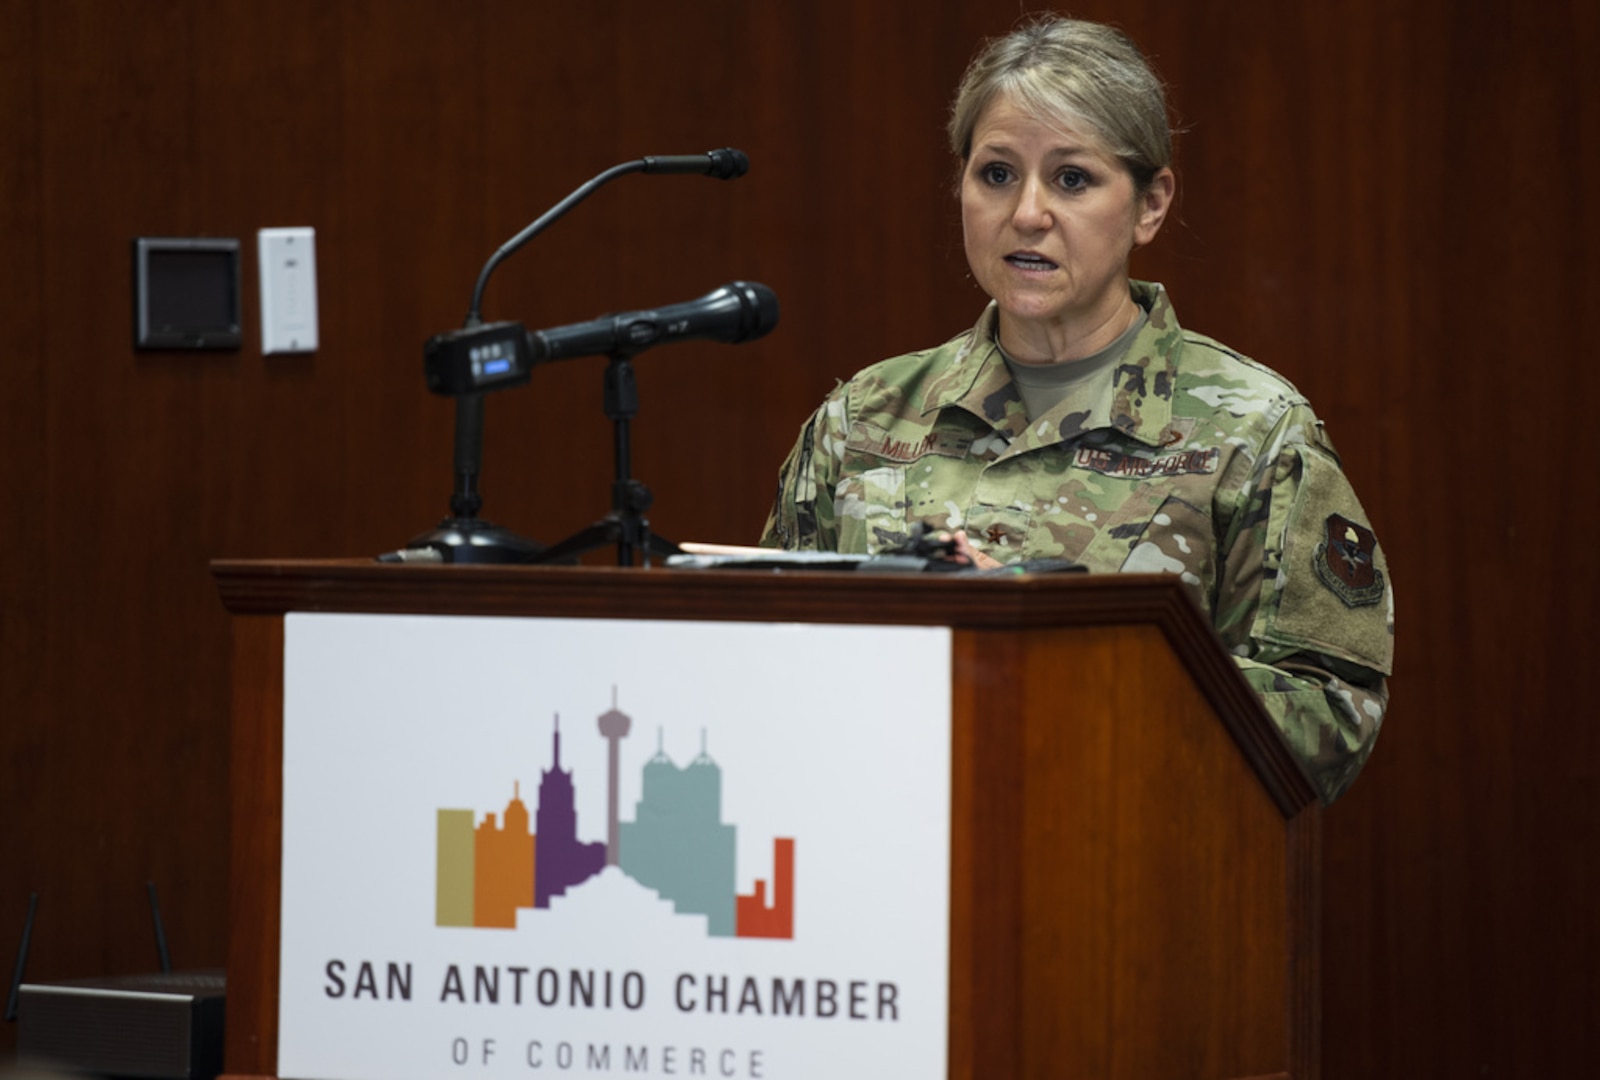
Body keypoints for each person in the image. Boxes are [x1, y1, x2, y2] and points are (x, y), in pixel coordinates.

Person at [760, 15, 1393, 804]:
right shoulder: (866, 420)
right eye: (995, 174)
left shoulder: (1251, 430)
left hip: (1122, 874)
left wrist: (1076, 660)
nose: (1027, 213)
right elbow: (770, 662)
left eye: (1071, 179)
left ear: (1151, 204)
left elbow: (1334, 714)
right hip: (892, 863)